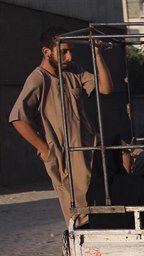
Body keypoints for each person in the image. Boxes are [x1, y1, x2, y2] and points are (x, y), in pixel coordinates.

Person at [9, 26, 113, 225]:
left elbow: (105, 88)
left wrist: (97, 54)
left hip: (89, 148)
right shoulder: (38, 79)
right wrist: (45, 149)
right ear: (46, 52)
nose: (68, 56)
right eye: (63, 51)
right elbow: (18, 118)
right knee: (79, 211)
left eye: (71, 51)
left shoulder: (73, 71)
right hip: (65, 156)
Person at [86, 130, 144, 229]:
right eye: (126, 151)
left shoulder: (93, 190)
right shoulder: (127, 185)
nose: (132, 155)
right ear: (115, 157)